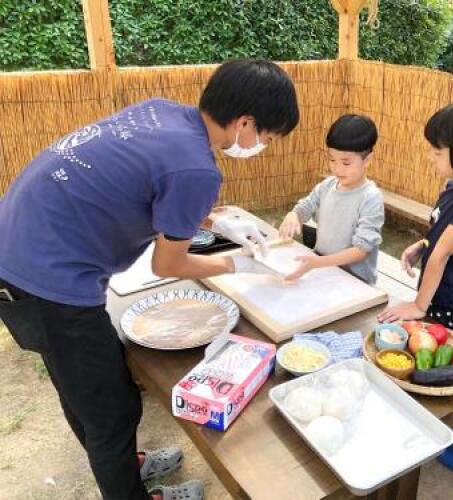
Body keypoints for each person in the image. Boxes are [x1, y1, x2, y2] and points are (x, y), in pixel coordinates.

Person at [0, 59, 299, 500]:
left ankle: (127, 465)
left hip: (17, 247)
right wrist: (236, 265)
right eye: (268, 138)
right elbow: (168, 264)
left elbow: (148, 186)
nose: (264, 147)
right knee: (111, 411)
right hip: (49, 279)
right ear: (245, 122)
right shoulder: (198, 169)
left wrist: (218, 221)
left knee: (83, 391)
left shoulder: (161, 112)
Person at [377, 100, 453, 452]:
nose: (429, 156)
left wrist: (418, 305)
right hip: (441, 294)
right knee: (431, 363)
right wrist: (421, 245)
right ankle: (427, 430)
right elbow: (440, 236)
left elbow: (445, 253)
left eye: (437, 151)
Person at [278, 114, 384, 284]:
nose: (337, 168)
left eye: (346, 163)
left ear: (367, 160)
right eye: (332, 160)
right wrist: (293, 215)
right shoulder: (327, 185)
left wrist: (318, 263)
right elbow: (306, 206)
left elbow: (361, 250)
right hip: (323, 269)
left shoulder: (370, 197)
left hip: (354, 280)